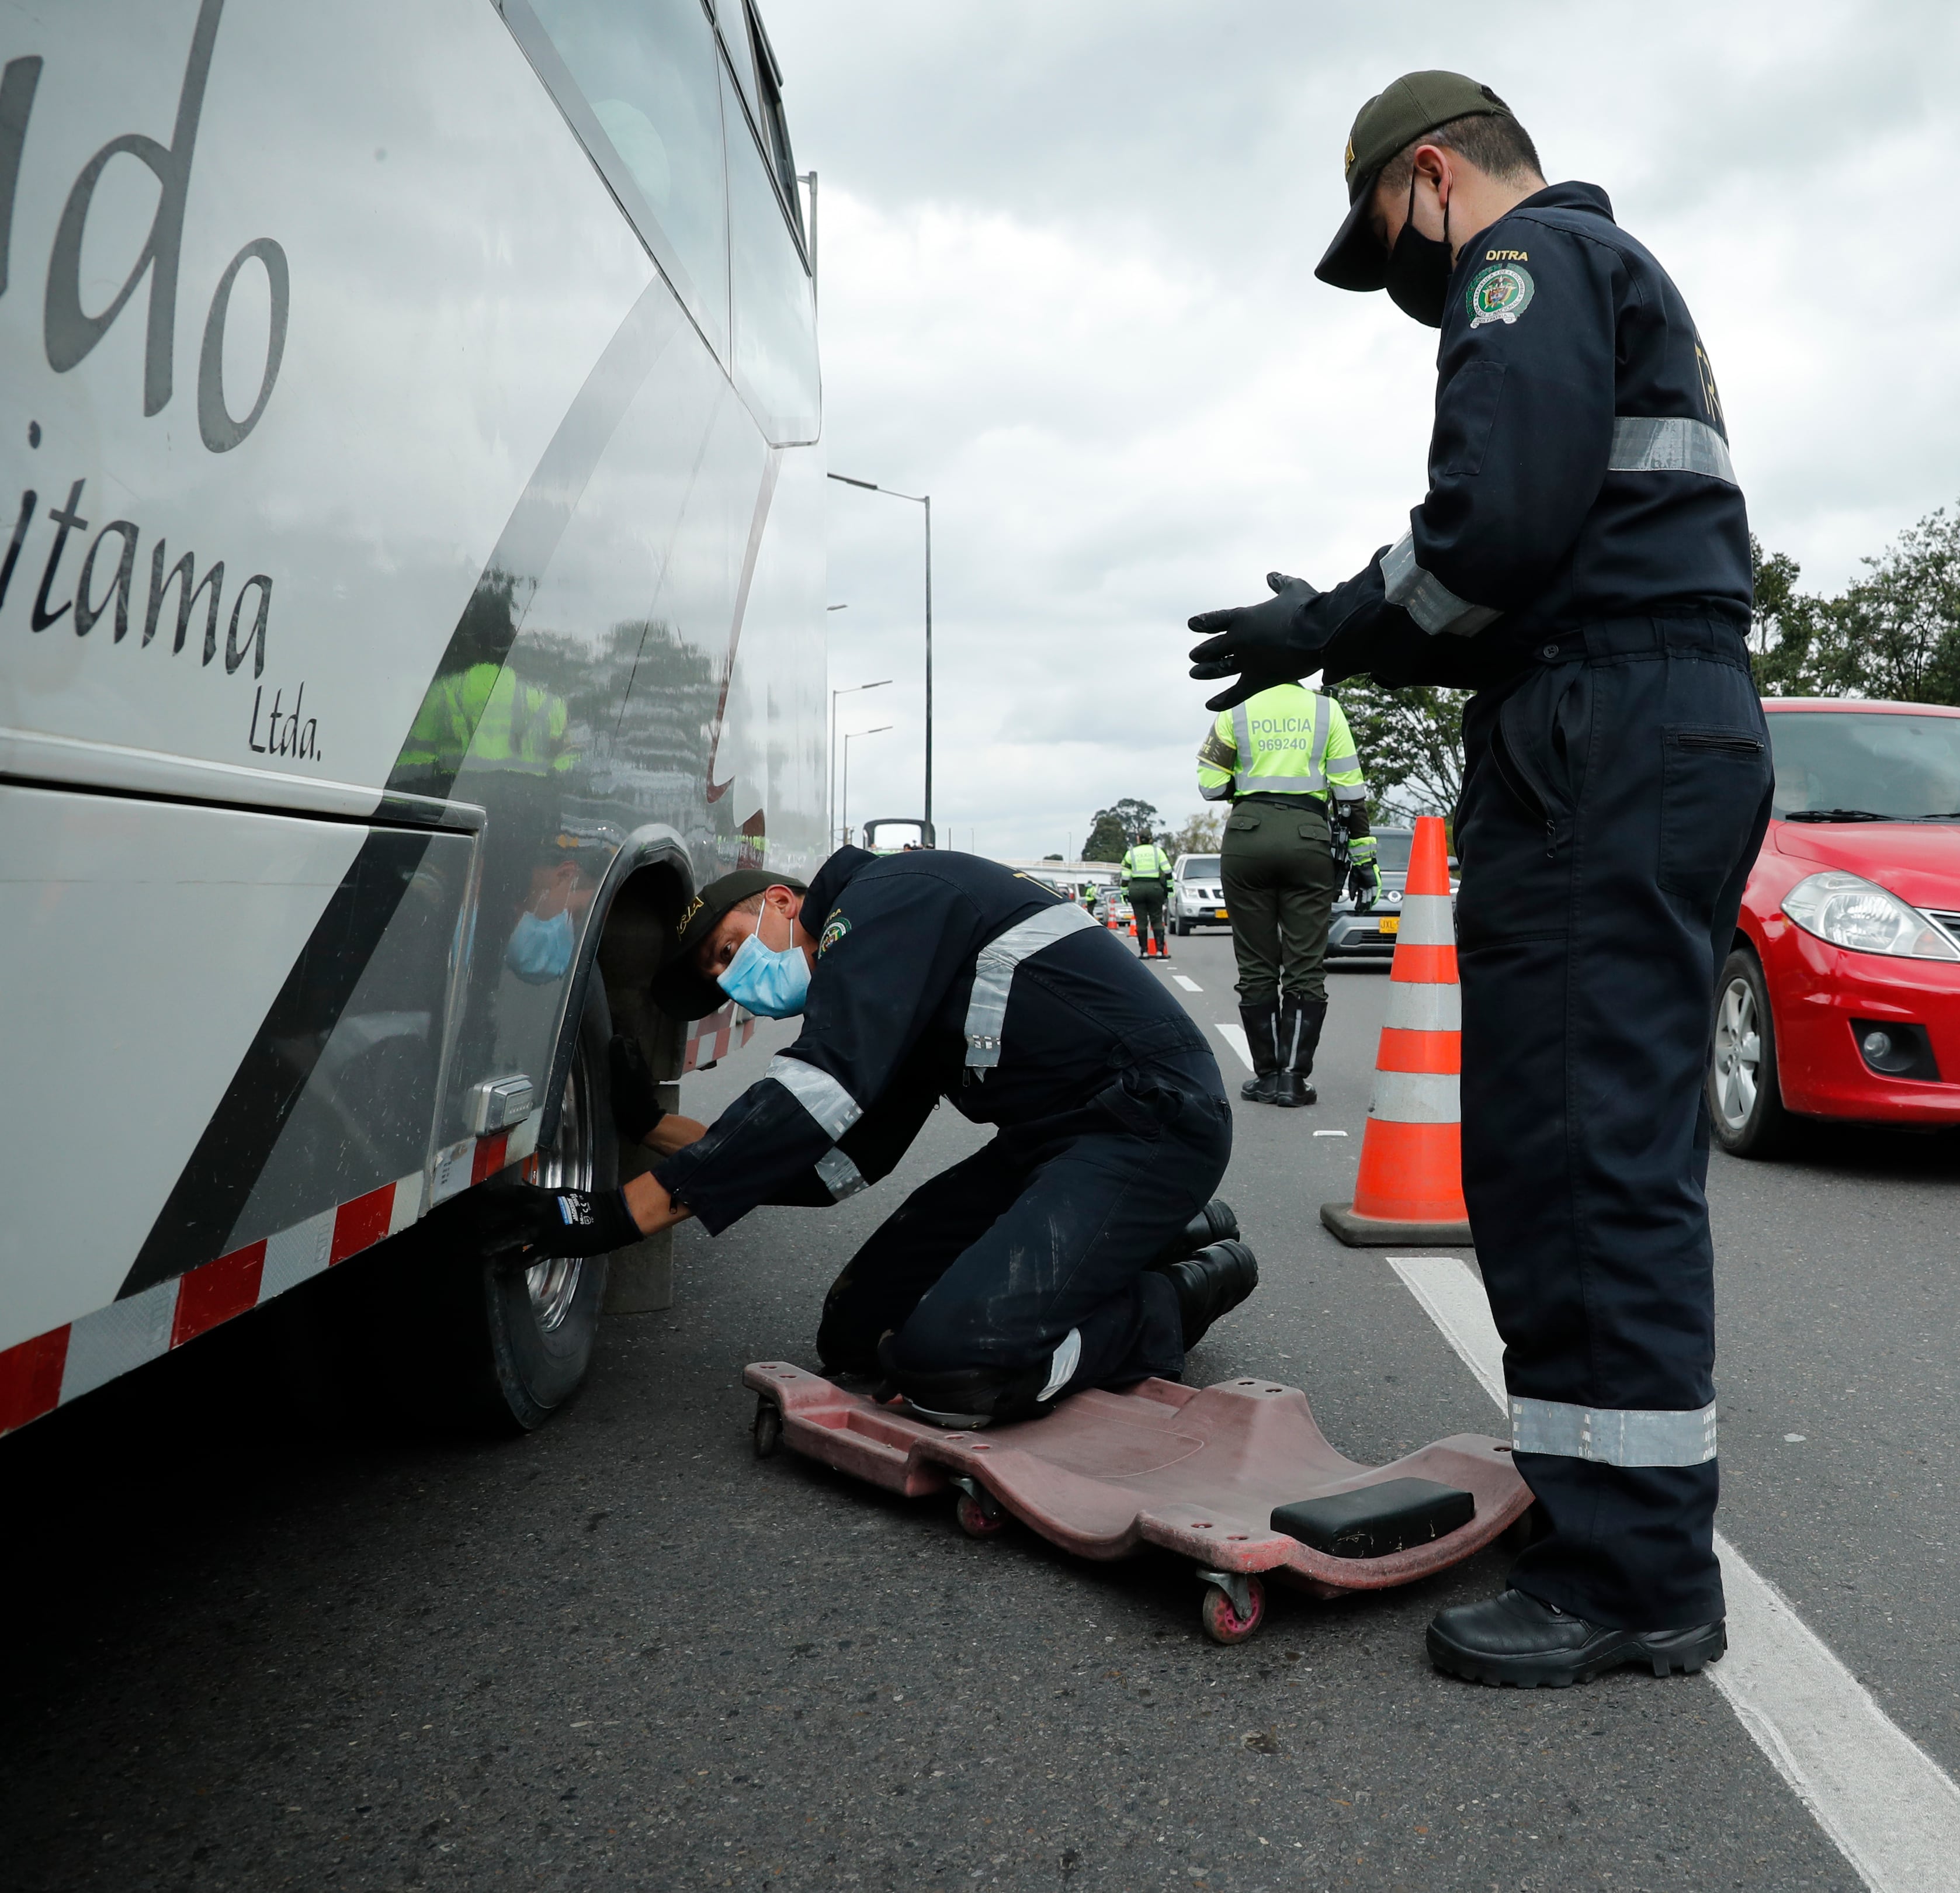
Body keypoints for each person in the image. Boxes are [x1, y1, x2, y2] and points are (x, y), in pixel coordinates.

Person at [1184, 72, 1770, 1687]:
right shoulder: (1611, 279)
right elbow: (1541, 554)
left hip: (1608, 723)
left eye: (1391, 248)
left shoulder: (1526, 271)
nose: (1406, 293)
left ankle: (1634, 1575)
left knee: (1583, 1159)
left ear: (1429, 174)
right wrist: (1363, 624)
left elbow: (1492, 538)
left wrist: (1338, 621)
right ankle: (1608, 1518)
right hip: (1632, 712)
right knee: (1574, 1147)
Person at [456, 851, 1259, 1424]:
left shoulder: (887, 899)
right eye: (718, 976)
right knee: (854, 1334)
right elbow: (834, 1164)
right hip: (1051, 1151)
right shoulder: (894, 981)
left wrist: (597, 1219)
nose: (734, 977)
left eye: (730, 949)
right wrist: (651, 1128)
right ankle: (1156, 1230)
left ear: (781, 900)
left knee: (956, 1371)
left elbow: (816, 1088)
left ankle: (1177, 1292)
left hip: (1148, 1127)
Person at [1196, 681, 1378, 1108]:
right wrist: (1364, 860)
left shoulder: (1235, 711)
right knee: (1305, 965)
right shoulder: (1325, 711)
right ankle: (1293, 1080)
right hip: (1308, 837)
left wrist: (1248, 787)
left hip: (1247, 837)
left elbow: (1209, 784)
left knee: (1256, 965)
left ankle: (1266, 1076)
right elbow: (1350, 792)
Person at [1120, 830, 1176, 960]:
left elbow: (1125, 876)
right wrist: (1169, 887)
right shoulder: (1158, 852)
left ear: (1138, 839)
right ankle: (1160, 952)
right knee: (1156, 919)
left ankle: (1144, 952)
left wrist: (1124, 892)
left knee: (1141, 921)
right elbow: (1168, 871)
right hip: (1154, 888)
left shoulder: (1131, 853)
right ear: (1151, 839)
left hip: (1137, 888)